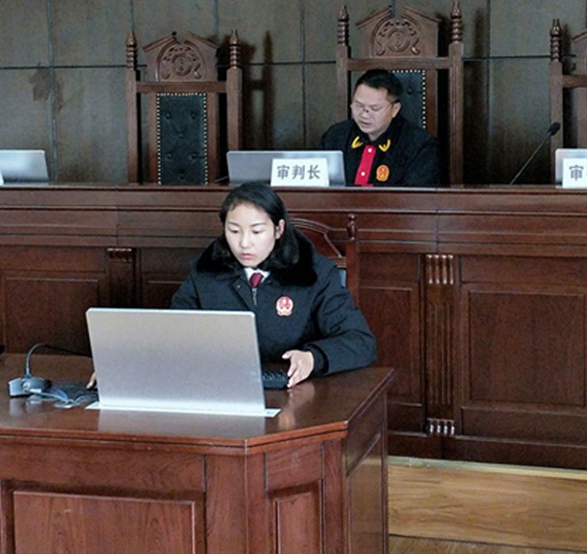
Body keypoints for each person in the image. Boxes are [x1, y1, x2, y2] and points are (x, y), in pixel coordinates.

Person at [171, 182, 376, 387]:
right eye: (234, 231)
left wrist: (313, 358)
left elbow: (360, 342)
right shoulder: (205, 271)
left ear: (278, 229)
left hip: (298, 390)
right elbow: (173, 336)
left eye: (257, 232)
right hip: (223, 387)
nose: (244, 243)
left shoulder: (313, 273)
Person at [319, 68, 441, 187]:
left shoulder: (420, 146)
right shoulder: (335, 136)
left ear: (395, 109)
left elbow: (417, 197)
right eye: (359, 105)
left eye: (374, 108)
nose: (364, 114)